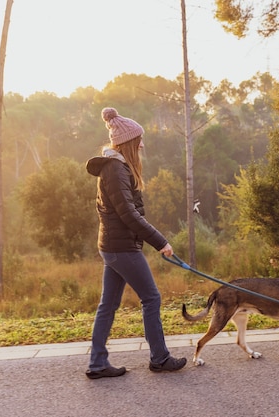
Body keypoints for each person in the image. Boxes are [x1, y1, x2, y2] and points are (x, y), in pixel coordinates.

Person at [84, 107, 187, 379]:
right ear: (128, 142)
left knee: (108, 305)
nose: (142, 144)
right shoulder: (115, 170)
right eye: (138, 139)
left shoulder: (115, 168)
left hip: (112, 246)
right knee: (151, 298)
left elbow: (130, 211)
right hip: (121, 248)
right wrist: (160, 242)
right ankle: (160, 358)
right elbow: (128, 214)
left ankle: (97, 364)